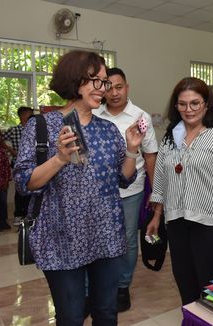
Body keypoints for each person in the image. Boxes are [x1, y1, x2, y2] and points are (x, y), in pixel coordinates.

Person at [13, 50, 145, 325]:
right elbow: (25, 182)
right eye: (95, 81)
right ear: (75, 81)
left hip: (105, 236)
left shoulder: (108, 130)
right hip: (61, 237)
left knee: (107, 314)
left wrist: (132, 150)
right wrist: (60, 159)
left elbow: (124, 179)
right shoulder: (41, 126)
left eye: (105, 82)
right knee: (71, 316)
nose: (103, 89)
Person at [146, 77, 213, 305]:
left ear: (206, 104)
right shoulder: (171, 137)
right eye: (182, 104)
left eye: (195, 103)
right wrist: (157, 215)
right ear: (176, 106)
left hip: (209, 222)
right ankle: (191, 319)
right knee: (184, 280)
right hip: (177, 220)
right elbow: (161, 177)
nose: (188, 110)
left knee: (210, 284)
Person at [94, 67, 158, 312]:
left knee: (128, 240)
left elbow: (150, 154)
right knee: (97, 238)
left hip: (132, 191)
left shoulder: (139, 116)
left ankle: (122, 286)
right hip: (100, 192)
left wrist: (155, 190)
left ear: (127, 87)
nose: (114, 92)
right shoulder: (95, 113)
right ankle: (96, 288)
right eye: (108, 87)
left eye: (118, 87)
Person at [3, 106, 34, 226]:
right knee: (20, 190)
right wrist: (10, 150)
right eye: (29, 114)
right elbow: (0, 139)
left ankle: (29, 214)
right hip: (19, 164)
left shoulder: (35, 129)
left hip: (33, 164)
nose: (31, 117)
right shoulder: (14, 130)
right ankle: (18, 215)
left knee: (32, 189)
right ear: (22, 116)